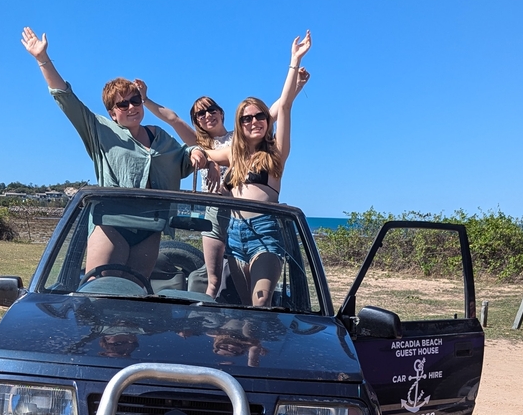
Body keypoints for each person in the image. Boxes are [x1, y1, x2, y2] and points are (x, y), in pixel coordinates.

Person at [20, 27, 212, 280]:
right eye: (123, 104)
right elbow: (66, 99)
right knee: (99, 289)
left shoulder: (159, 137)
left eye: (136, 100)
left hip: (151, 226)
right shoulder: (100, 130)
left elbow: (183, 159)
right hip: (112, 223)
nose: (131, 107)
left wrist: (197, 152)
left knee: (136, 291)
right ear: (112, 112)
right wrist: (42, 59)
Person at [135, 68, 309, 296]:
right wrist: (145, 100)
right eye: (200, 114)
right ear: (196, 121)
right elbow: (173, 119)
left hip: (248, 213)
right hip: (217, 211)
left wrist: (296, 86)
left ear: (222, 112)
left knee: (256, 287)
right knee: (214, 277)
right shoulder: (199, 143)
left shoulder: (240, 139)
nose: (207, 115)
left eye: (211, 109)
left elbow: (274, 112)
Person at [212, 31, 312, 307]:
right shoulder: (233, 155)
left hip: (265, 232)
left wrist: (294, 61)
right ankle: (252, 352)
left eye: (260, 116)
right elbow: (198, 153)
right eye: (247, 118)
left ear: (267, 121)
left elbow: (287, 104)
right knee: (247, 311)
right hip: (233, 233)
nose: (254, 121)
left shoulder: (276, 154)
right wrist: (204, 160)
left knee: (261, 304)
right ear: (240, 123)